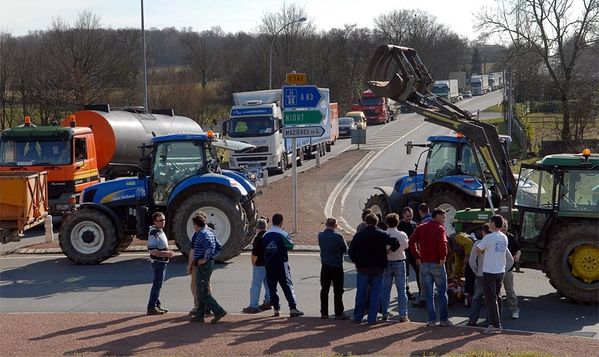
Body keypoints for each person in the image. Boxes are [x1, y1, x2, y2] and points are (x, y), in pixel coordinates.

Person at [348, 213, 400, 324]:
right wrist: (388, 251)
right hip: (378, 267)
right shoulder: (381, 233)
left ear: (366, 222)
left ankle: (358, 316)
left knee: (361, 293)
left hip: (363, 267)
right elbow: (396, 242)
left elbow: (351, 251)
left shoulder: (360, 235)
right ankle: (372, 318)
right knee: (376, 294)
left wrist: (356, 261)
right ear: (376, 222)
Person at [409, 208, 452, 327]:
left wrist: (417, 255)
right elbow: (443, 243)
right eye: (443, 217)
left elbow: (411, 242)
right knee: (442, 292)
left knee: (428, 293)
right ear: (437, 216)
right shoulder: (440, 228)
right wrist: (443, 257)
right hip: (437, 263)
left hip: (424, 264)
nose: (444, 220)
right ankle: (444, 319)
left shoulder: (421, 227)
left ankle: (431, 319)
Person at [468, 223, 514, 327]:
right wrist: (504, 270)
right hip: (497, 272)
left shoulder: (478, 243)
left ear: (484, 232)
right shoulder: (500, 241)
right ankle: (493, 321)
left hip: (481, 274)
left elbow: (472, 260)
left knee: (477, 297)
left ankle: (472, 320)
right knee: (495, 297)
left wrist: (476, 270)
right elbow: (510, 260)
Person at [262, 213, 304, 317]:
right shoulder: (283, 234)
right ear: (281, 222)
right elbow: (290, 245)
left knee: (272, 287)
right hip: (281, 263)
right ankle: (292, 307)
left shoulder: (265, 235)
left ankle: (276, 309)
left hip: (269, 264)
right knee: (287, 285)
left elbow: (262, 248)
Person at [476, 215, 509, 334]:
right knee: (496, 297)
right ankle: (496, 323)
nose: (488, 224)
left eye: (490, 222)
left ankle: (495, 325)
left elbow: (478, 250)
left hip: (489, 271)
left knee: (490, 299)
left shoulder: (489, 237)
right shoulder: (504, 237)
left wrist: (486, 251)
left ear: (494, 223)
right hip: (500, 270)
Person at [192, 213, 227, 323]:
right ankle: (199, 315)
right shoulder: (210, 232)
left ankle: (218, 310)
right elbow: (218, 245)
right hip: (208, 263)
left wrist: (205, 259)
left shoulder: (202, 234)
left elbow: (209, 247)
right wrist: (213, 257)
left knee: (202, 291)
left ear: (196, 224)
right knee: (201, 288)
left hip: (203, 264)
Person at [380, 213, 410, 322]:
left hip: (387, 263)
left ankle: (384, 312)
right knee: (402, 290)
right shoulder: (402, 234)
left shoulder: (384, 234)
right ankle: (403, 314)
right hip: (399, 261)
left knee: (385, 290)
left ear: (387, 222)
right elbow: (406, 246)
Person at [318, 217, 348, 320]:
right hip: (337, 265)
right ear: (335, 225)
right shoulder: (338, 236)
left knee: (324, 289)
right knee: (338, 290)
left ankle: (324, 312)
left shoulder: (320, 235)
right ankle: (338, 312)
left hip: (325, 265)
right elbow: (345, 249)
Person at [146, 212, 175, 315]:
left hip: (162, 261)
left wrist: (167, 252)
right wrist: (166, 253)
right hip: (158, 262)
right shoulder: (153, 233)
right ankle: (151, 307)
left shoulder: (159, 231)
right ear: (155, 222)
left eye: (164, 220)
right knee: (157, 285)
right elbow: (152, 250)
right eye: (160, 221)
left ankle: (156, 305)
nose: (163, 222)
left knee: (158, 284)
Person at [242, 218, 272, 313]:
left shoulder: (258, 238)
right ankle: (268, 302)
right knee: (268, 285)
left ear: (257, 228)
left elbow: (254, 254)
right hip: (270, 264)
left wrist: (254, 264)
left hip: (259, 265)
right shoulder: (270, 236)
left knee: (255, 286)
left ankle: (253, 306)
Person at [398, 207, 425, 308]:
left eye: (411, 216)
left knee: (419, 271)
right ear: (403, 215)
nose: (409, 218)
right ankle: (407, 293)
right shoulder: (400, 225)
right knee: (406, 273)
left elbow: (417, 239)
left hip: (413, 251)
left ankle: (421, 292)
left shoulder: (414, 224)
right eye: (408, 216)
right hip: (404, 251)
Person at [501, 220, 521, 319]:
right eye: (502, 225)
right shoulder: (496, 237)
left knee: (509, 291)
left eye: (506, 226)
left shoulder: (511, 237)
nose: (504, 227)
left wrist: (517, 256)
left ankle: (514, 310)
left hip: (508, 269)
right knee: (496, 292)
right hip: (496, 269)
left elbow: (518, 250)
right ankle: (496, 312)